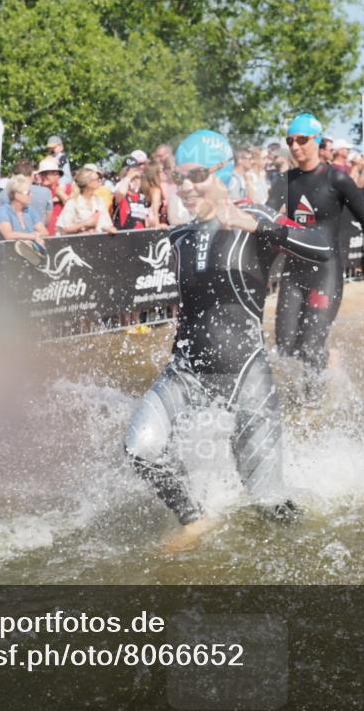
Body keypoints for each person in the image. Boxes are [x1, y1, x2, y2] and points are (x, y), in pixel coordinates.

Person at [124, 129, 334, 551]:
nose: (186, 186)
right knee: (139, 448)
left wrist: (255, 226)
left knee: (270, 506)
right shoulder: (179, 237)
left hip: (246, 377)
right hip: (185, 371)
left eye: (196, 175)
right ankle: (196, 520)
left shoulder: (254, 217)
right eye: (179, 178)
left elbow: (322, 248)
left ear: (223, 172)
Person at [266, 113, 364, 396]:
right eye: (290, 140)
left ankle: (313, 402)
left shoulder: (338, 179)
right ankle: (322, 366)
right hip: (293, 272)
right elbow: (268, 221)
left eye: (302, 140)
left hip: (326, 274)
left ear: (317, 141)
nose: (295, 146)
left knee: (310, 346)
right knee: (286, 347)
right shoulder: (285, 181)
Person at [58, 169, 115, 235]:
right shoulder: (72, 203)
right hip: (77, 242)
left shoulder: (99, 201)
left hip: (97, 241)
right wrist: (85, 224)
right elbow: (63, 229)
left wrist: (109, 229)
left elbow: (105, 224)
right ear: (88, 183)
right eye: (97, 179)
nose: (100, 181)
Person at [0, 175, 47, 244]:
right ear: (17, 195)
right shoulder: (3, 211)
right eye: (28, 193)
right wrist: (34, 236)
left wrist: (30, 236)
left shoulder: (30, 210)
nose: (31, 195)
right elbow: (8, 235)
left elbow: (44, 232)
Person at [114, 166, 151, 230]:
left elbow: (151, 219)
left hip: (141, 235)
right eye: (132, 178)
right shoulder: (122, 196)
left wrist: (158, 225)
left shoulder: (143, 199)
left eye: (137, 178)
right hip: (124, 235)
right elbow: (121, 192)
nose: (135, 181)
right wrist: (128, 177)